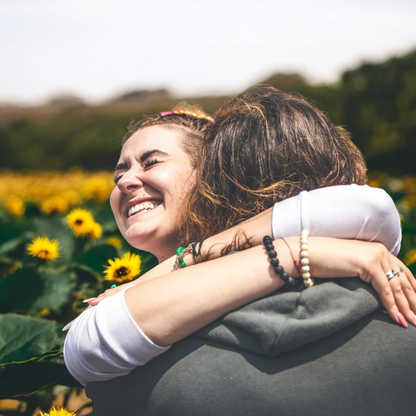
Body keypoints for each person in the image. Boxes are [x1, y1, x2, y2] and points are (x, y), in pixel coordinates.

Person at [64, 91, 416, 415]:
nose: (125, 180)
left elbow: (367, 207)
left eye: (152, 161)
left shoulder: (138, 375)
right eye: (119, 172)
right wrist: (293, 249)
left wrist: (284, 251)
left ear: (210, 180)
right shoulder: (394, 311)